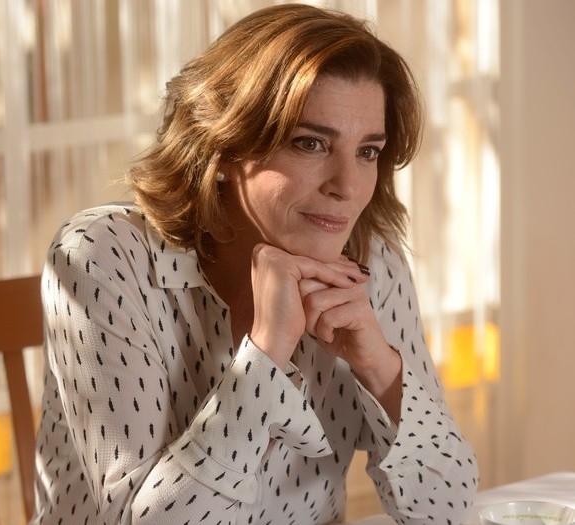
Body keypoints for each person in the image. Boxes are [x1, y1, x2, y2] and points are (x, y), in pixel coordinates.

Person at [31, 4, 479, 524]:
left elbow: (449, 513)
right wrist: (265, 356)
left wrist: (380, 367)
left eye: (367, 151)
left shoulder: (371, 260)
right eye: (311, 144)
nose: (347, 187)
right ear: (223, 148)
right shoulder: (102, 258)